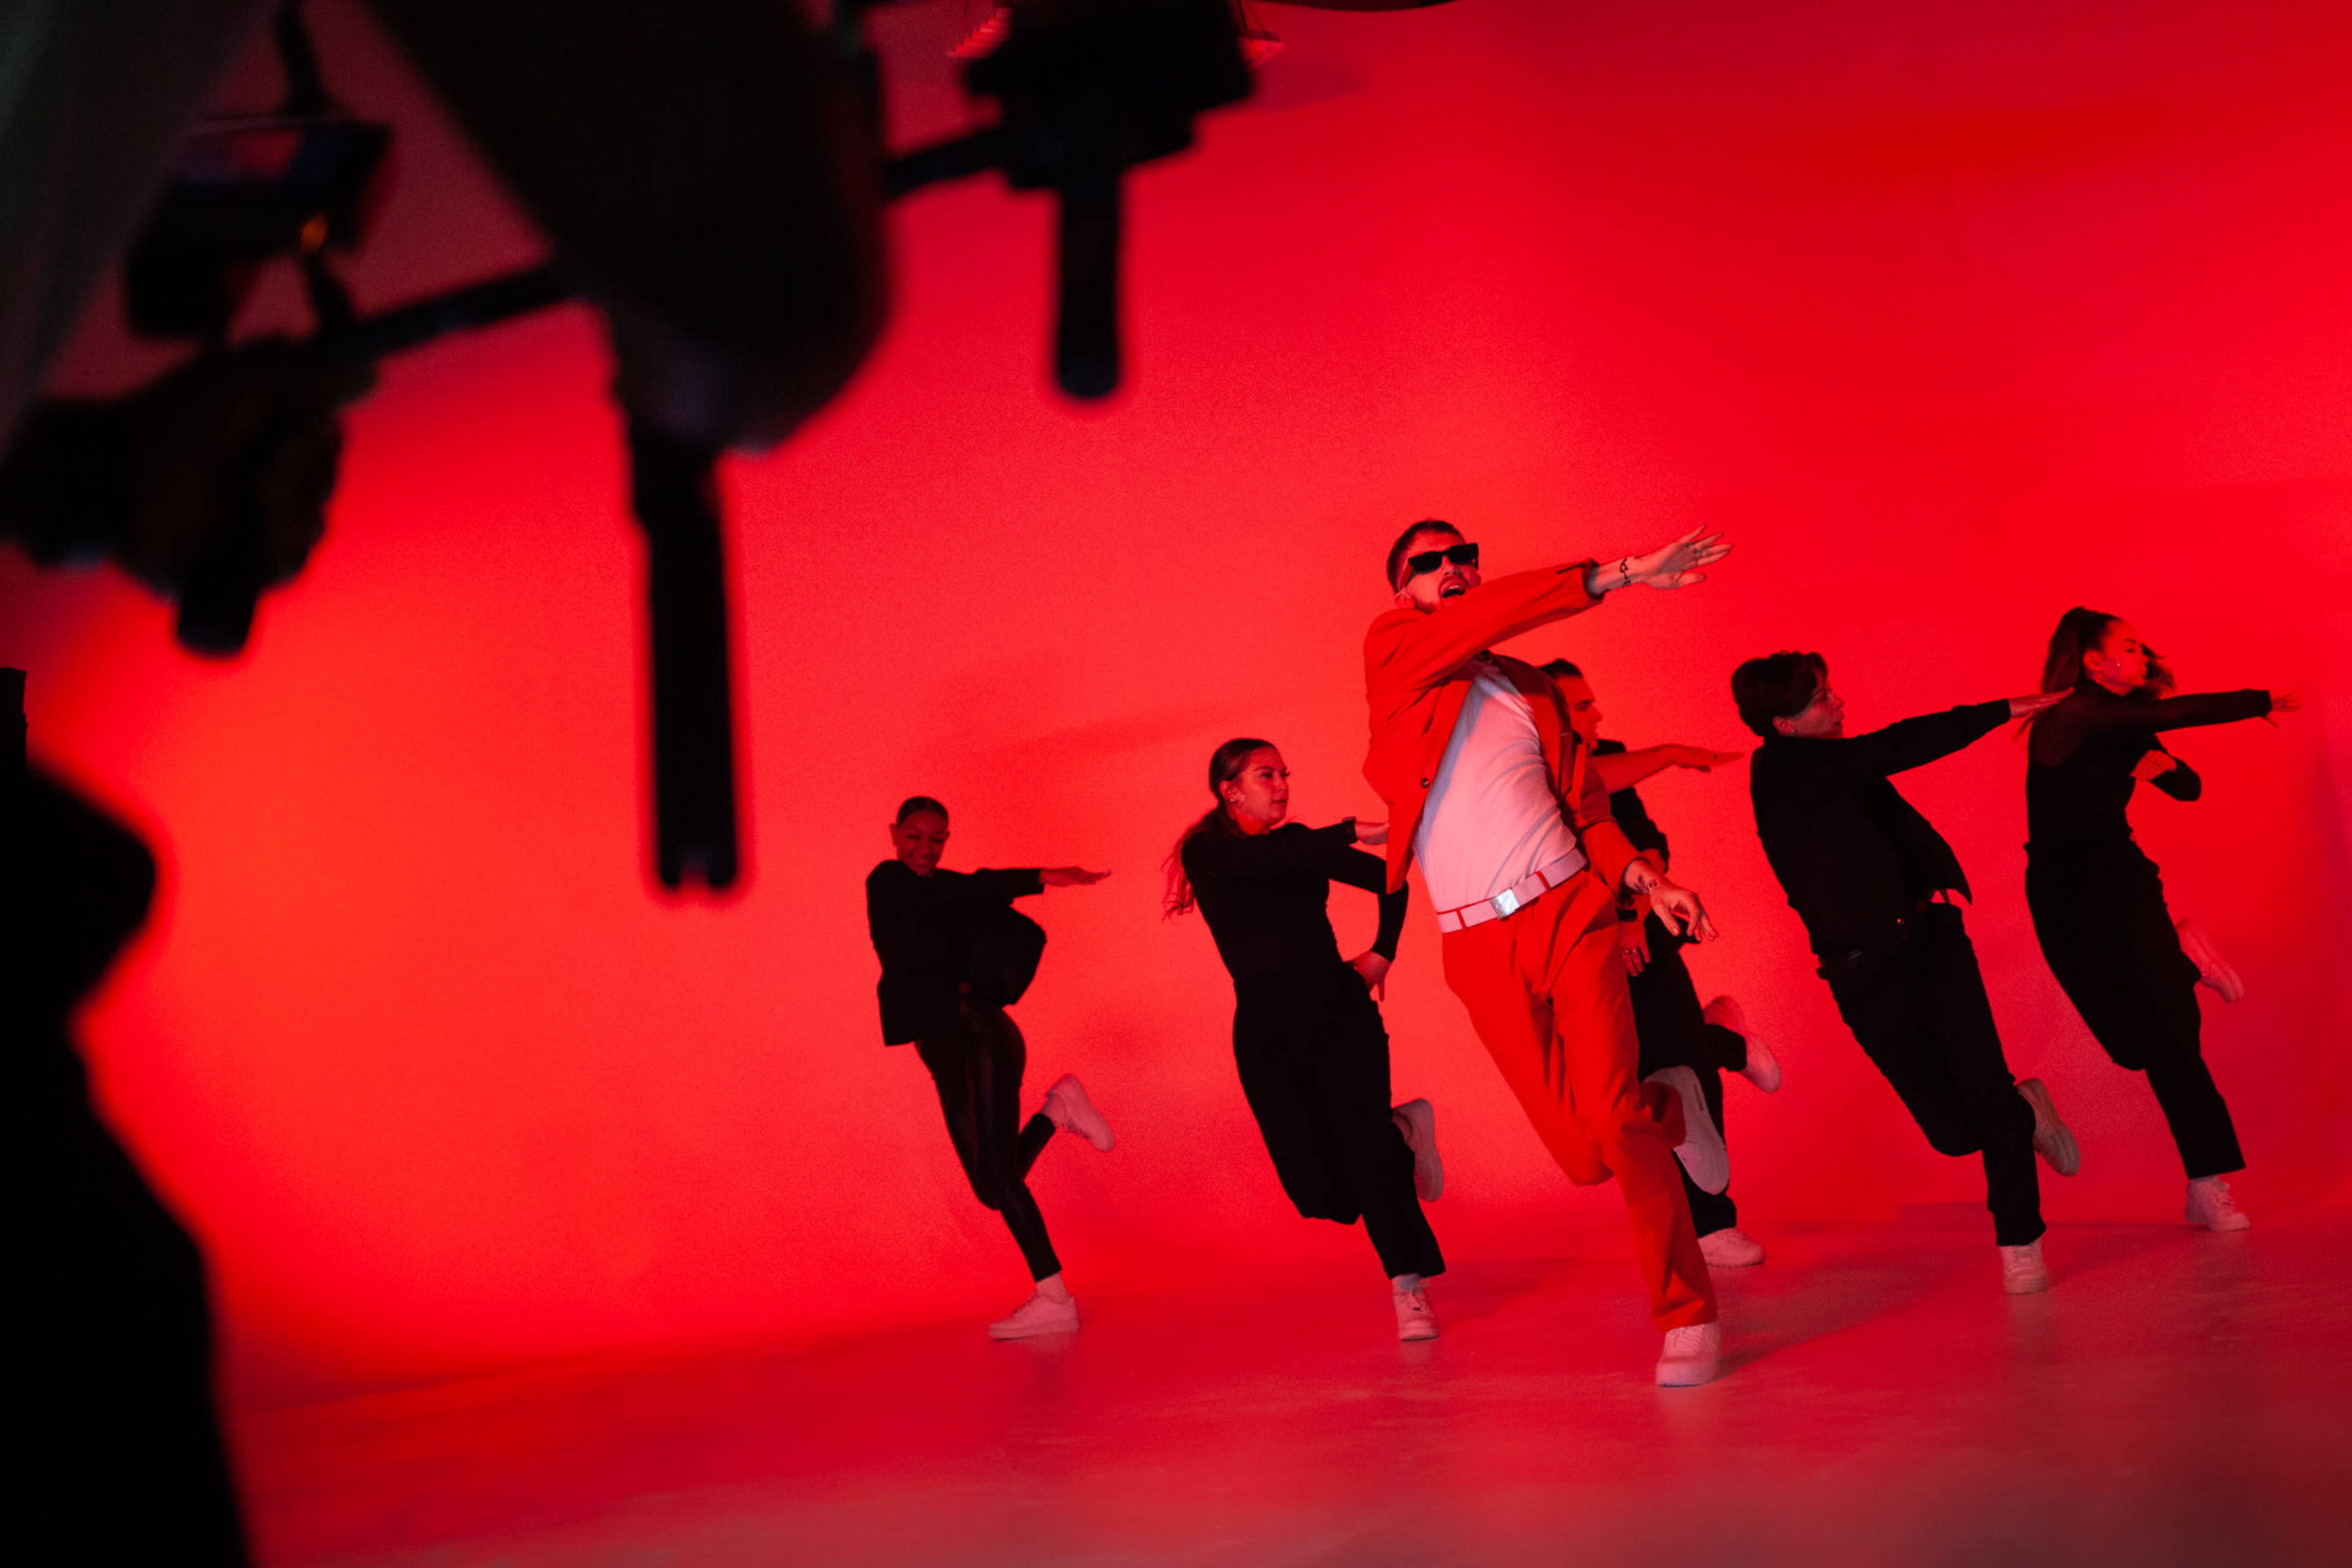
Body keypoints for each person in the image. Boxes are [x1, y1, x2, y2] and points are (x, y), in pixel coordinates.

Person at [1363, 518, 1735, 1387]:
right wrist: (1623, 572)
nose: (1454, 570)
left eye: (1466, 557)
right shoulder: (1393, 659)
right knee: (1583, 1159)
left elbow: (1591, 814)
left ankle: (1686, 1313)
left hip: (1569, 910)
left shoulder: (1532, 691)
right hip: (1473, 945)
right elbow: (1475, 620)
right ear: (1402, 593)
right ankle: (1672, 1103)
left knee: (1613, 1127)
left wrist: (1649, 883)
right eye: (1432, 564)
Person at [1732, 650, 2078, 1294]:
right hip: (1861, 972)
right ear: (1782, 724)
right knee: (1950, 1134)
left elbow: (1886, 785)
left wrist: (1941, 894)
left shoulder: (1841, 763)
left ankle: (2020, 1242)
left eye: (1831, 690)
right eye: (1820, 698)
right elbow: (1901, 744)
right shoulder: (1782, 771)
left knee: (1984, 1089)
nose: (1838, 703)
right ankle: (2027, 1110)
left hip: (1932, 939)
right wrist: (2002, 709)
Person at [2024, 609, 2300, 1232]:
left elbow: (2190, 787)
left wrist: (2168, 769)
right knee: (2129, 1047)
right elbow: (2161, 715)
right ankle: (2183, 960)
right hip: (2063, 895)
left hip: (2124, 883)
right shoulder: (2070, 715)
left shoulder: (2126, 730)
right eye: (2129, 646)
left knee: (2173, 1040)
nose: (2143, 654)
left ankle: (2208, 1183)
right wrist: (2255, 700)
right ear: (2095, 662)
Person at [1167, 737, 1448, 1341]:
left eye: (1285, 774)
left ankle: (1408, 1287)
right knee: (1317, 1193)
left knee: (1367, 1158)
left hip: (1339, 1014)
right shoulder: (1208, 852)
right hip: (1267, 1031)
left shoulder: (1301, 845)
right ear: (1229, 788)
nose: (1283, 784)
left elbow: (1391, 881)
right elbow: (1261, 865)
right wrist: (1349, 829)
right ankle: (1403, 1132)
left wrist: (1382, 953)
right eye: (1266, 774)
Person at [1542, 659, 1781, 1268]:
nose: (1597, 715)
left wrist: (1631, 911)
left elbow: (1649, 843)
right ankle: (1726, 1040)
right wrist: (1671, 751)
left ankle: (1712, 1223)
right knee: (1627, 1081)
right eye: (1582, 706)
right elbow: (1580, 786)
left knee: (1682, 1068)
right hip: (1574, 948)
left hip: (1640, 932)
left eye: (1593, 703)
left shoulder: (1613, 755)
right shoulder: (1532, 773)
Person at [864, 795, 1114, 1338]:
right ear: (893, 833)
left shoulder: (943, 893)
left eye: (936, 840)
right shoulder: (887, 882)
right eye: (913, 836)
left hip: (981, 1035)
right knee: (988, 1187)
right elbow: (965, 886)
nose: (924, 849)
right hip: (942, 1052)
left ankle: (1055, 1297)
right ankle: (1058, 1107)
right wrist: (1038, 876)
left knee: (1001, 1176)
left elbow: (972, 886)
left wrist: (1044, 876)